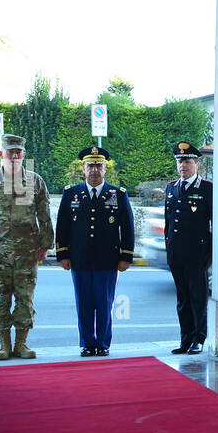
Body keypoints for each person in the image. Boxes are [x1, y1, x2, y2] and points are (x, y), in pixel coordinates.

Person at [0, 134, 53, 360]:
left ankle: (22, 344)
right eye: (10, 152)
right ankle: (3, 345)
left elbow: (44, 216)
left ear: (24, 155)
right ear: (1, 155)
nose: (14, 156)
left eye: (18, 153)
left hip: (27, 251)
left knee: (25, 298)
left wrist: (45, 244)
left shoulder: (35, 182)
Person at [56, 146, 135, 357]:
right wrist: (63, 254)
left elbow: (127, 227)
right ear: (83, 169)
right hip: (79, 259)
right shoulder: (71, 193)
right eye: (90, 165)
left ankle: (103, 343)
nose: (94, 170)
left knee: (104, 303)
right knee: (83, 304)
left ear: (105, 169)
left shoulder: (117, 194)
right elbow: (62, 226)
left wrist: (126, 256)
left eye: (98, 165)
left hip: (107, 260)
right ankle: (87, 343)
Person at [165, 141, 212, 354]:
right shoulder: (171, 187)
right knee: (182, 299)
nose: (183, 165)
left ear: (196, 164)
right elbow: (169, 222)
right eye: (179, 161)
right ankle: (185, 339)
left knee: (197, 298)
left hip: (196, 254)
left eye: (187, 161)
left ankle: (198, 339)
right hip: (176, 254)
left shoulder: (206, 189)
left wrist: (209, 253)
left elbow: (213, 224)